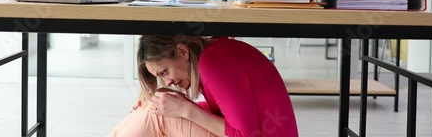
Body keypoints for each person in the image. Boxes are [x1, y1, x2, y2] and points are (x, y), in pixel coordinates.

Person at [109, 35, 298, 137]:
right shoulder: (214, 54)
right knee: (156, 108)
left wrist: (185, 109)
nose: (168, 82)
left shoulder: (213, 64)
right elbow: (231, 114)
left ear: (182, 51)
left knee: (158, 117)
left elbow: (245, 135)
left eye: (164, 72)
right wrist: (169, 104)